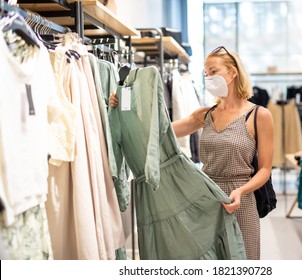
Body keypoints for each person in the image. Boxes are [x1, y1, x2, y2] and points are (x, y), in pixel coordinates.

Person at [109, 46, 274, 260]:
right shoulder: (204, 114)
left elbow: (265, 169)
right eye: (205, 73)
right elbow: (159, 132)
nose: (208, 78)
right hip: (207, 196)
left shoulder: (259, 115)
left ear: (233, 73)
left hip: (241, 200)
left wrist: (241, 192)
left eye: (213, 72)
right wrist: (124, 104)